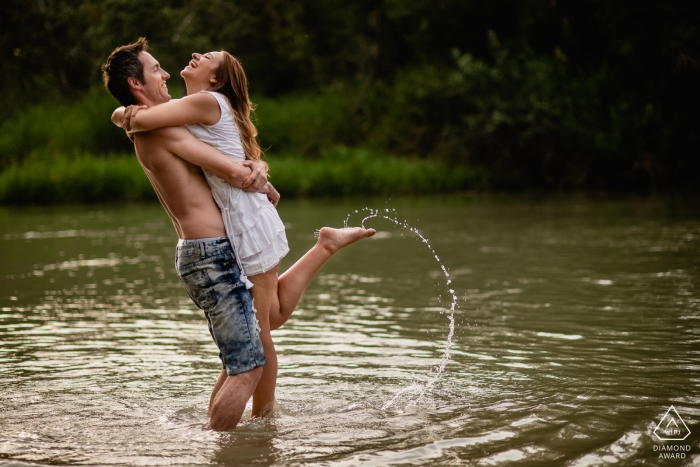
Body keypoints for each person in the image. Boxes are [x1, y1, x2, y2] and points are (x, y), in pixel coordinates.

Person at [101, 38, 375, 430]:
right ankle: (250, 432)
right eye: (156, 69)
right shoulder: (160, 129)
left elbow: (220, 152)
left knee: (252, 345)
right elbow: (231, 170)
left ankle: (242, 435)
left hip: (216, 246)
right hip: (213, 251)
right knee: (254, 353)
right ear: (136, 84)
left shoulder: (166, 121)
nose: (165, 74)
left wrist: (121, 115)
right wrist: (255, 173)